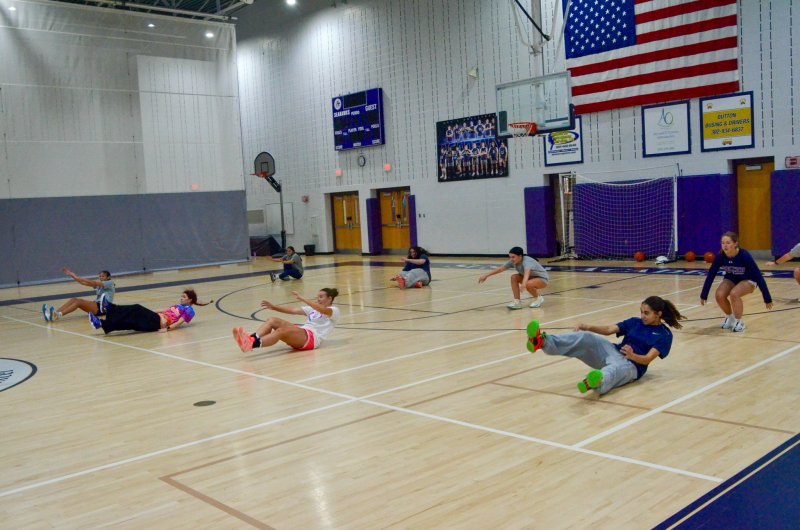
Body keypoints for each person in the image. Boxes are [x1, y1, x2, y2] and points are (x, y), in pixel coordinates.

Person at [526, 296, 686, 395]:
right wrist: (587, 326)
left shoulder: (665, 335)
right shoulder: (634, 322)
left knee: (614, 369)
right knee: (586, 338)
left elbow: (647, 359)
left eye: (646, 313)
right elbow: (609, 330)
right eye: (641, 312)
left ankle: (596, 382)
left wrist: (633, 356)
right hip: (614, 351)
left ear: (658, 314)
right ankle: (542, 342)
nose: (642, 315)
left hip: (633, 366)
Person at [700, 231, 773, 332]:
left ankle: (739, 322)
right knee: (719, 295)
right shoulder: (720, 256)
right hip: (731, 278)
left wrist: (767, 298)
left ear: (735, 244)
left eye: (728, 243)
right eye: (723, 243)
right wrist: (704, 295)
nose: (725, 245)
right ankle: (730, 318)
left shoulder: (744, 255)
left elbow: (758, 276)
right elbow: (710, 275)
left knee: (734, 293)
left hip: (749, 279)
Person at [232, 288, 340, 353]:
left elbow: (322, 310)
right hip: (303, 333)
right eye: (318, 297)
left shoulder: (334, 311)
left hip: (312, 339)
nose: (318, 299)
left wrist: (303, 299)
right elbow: (292, 310)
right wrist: (273, 307)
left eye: (321, 297)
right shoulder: (312, 309)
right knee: (272, 320)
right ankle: (250, 340)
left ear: (329, 298)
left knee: (281, 331)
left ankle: (251, 345)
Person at [90, 289, 210, 334]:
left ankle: (109, 307)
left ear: (190, 299)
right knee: (130, 322)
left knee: (136, 308)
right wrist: (148, 311)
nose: (181, 298)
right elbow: (164, 310)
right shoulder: (178, 305)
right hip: (155, 318)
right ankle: (101, 324)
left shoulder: (189, 310)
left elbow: (180, 322)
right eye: (181, 296)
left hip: (159, 322)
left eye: (184, 297)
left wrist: (167, 329)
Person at [478, 246, 549, 309]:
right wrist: (486, 275)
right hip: (529, 278)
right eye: (510, 257)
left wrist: (524, 284)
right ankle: (517, 302)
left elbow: (527, 273)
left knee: (528, 284)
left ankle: (538, 298)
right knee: (514, 277)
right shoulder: (513, 261)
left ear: (520, 256)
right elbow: (500, 269)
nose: (511, 259)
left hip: (542, 279)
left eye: (513, 257)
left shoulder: (527, 261)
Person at [43, 267, 115, 322]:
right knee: (74, 299)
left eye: (103, 276)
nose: (101, 277)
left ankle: (58, 315)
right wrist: (73, 275)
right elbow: (84, 283)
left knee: (78, 302)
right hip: (97, 306)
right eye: (100, 276)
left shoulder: (110, 283)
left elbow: (93, 282)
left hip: (102, 309)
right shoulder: (100, 285)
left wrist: (77, 277)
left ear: (108, 277)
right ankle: (54, 314)